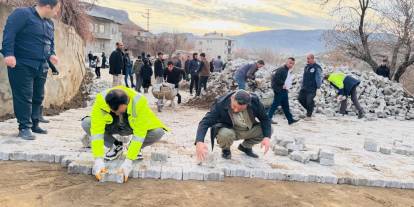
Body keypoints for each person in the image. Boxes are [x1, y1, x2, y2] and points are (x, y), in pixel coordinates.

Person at [81, 86, 169, 182]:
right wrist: (98, 159)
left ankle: (134, 148)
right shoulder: (101, 100)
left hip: (130, 126)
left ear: (126, 102)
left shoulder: (139, 102)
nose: (118, 113)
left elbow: (140, 133)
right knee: (87, 123)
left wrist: (128, 161)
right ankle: (115, 146)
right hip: (112, 124)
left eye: (120, 111)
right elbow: (97, 131)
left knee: (158, 132)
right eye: (114, 111)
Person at [1, 0, 60, 139]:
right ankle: (24, 127)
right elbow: (9, 33)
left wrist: (52, 54)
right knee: (24, 96)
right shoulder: (22, 14)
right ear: (47, 7)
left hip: (41, 65)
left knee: (38, 96)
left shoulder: (49, 23)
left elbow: (50, 42)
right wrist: (8, 54)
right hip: (22, 64)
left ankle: (35, 124)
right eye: (56, 10)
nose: (56, 13)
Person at [195, 90, 271, 160]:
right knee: (225, 134)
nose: (235, 110)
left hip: (248, 129)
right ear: (232, 98)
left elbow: (265, 119)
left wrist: (267, 137)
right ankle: (226, 149)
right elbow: (205, 122)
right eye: (234, 106)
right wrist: (199, 141)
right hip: (230, 130)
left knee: (267, 131)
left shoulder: (255, 102)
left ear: (248, 104)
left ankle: (245, 147)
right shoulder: (220, 104)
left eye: (240, 109)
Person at [268, 57, 299, 125]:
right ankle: (268, 119)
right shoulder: (281, 69)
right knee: (275, 104)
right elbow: (276, 79)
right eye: (290, 63)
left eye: (292, 64)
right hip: (279, 90)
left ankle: (290, 120)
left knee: (285, 105)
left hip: (284, 90)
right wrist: (282, 84)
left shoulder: (287, 70)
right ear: (286, 62)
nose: (291, 65)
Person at [298, 54, 322, 120]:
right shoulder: (306, 67)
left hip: (312, 88)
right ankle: (310, 111)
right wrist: (302, 85)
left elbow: (319, 78)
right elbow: (304, 77)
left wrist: (318, 87)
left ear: (312, 59)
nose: (307, 60)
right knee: (300, 99)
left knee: (309, 101)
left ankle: (309, 116)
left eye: (308, 58)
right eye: (307, 59)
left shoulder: (317, 67)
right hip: (304, 87)